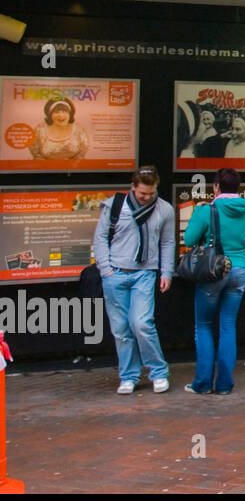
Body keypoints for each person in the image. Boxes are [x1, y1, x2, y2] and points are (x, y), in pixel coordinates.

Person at [91, 166, 175, 394]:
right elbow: (100, 239)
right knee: (120, 329)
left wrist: (166, 272)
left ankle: (158, 371)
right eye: (142, 194)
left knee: (142, 323)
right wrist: (106, 269)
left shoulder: (164, 210)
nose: (147, 198)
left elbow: (167, 243)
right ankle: (128, 376)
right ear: (133, 187)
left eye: (151, 193)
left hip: (144, 273)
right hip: (116, 272)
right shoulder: (115, 206)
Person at [182, 167, 245, 394]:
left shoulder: (207, 211)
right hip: (239, 270)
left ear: (216, 187)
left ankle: (202, 384)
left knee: (203, 326)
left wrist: (198, 213)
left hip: (214, 272)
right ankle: (224, 385)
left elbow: (189, 239)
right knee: (227, 326)